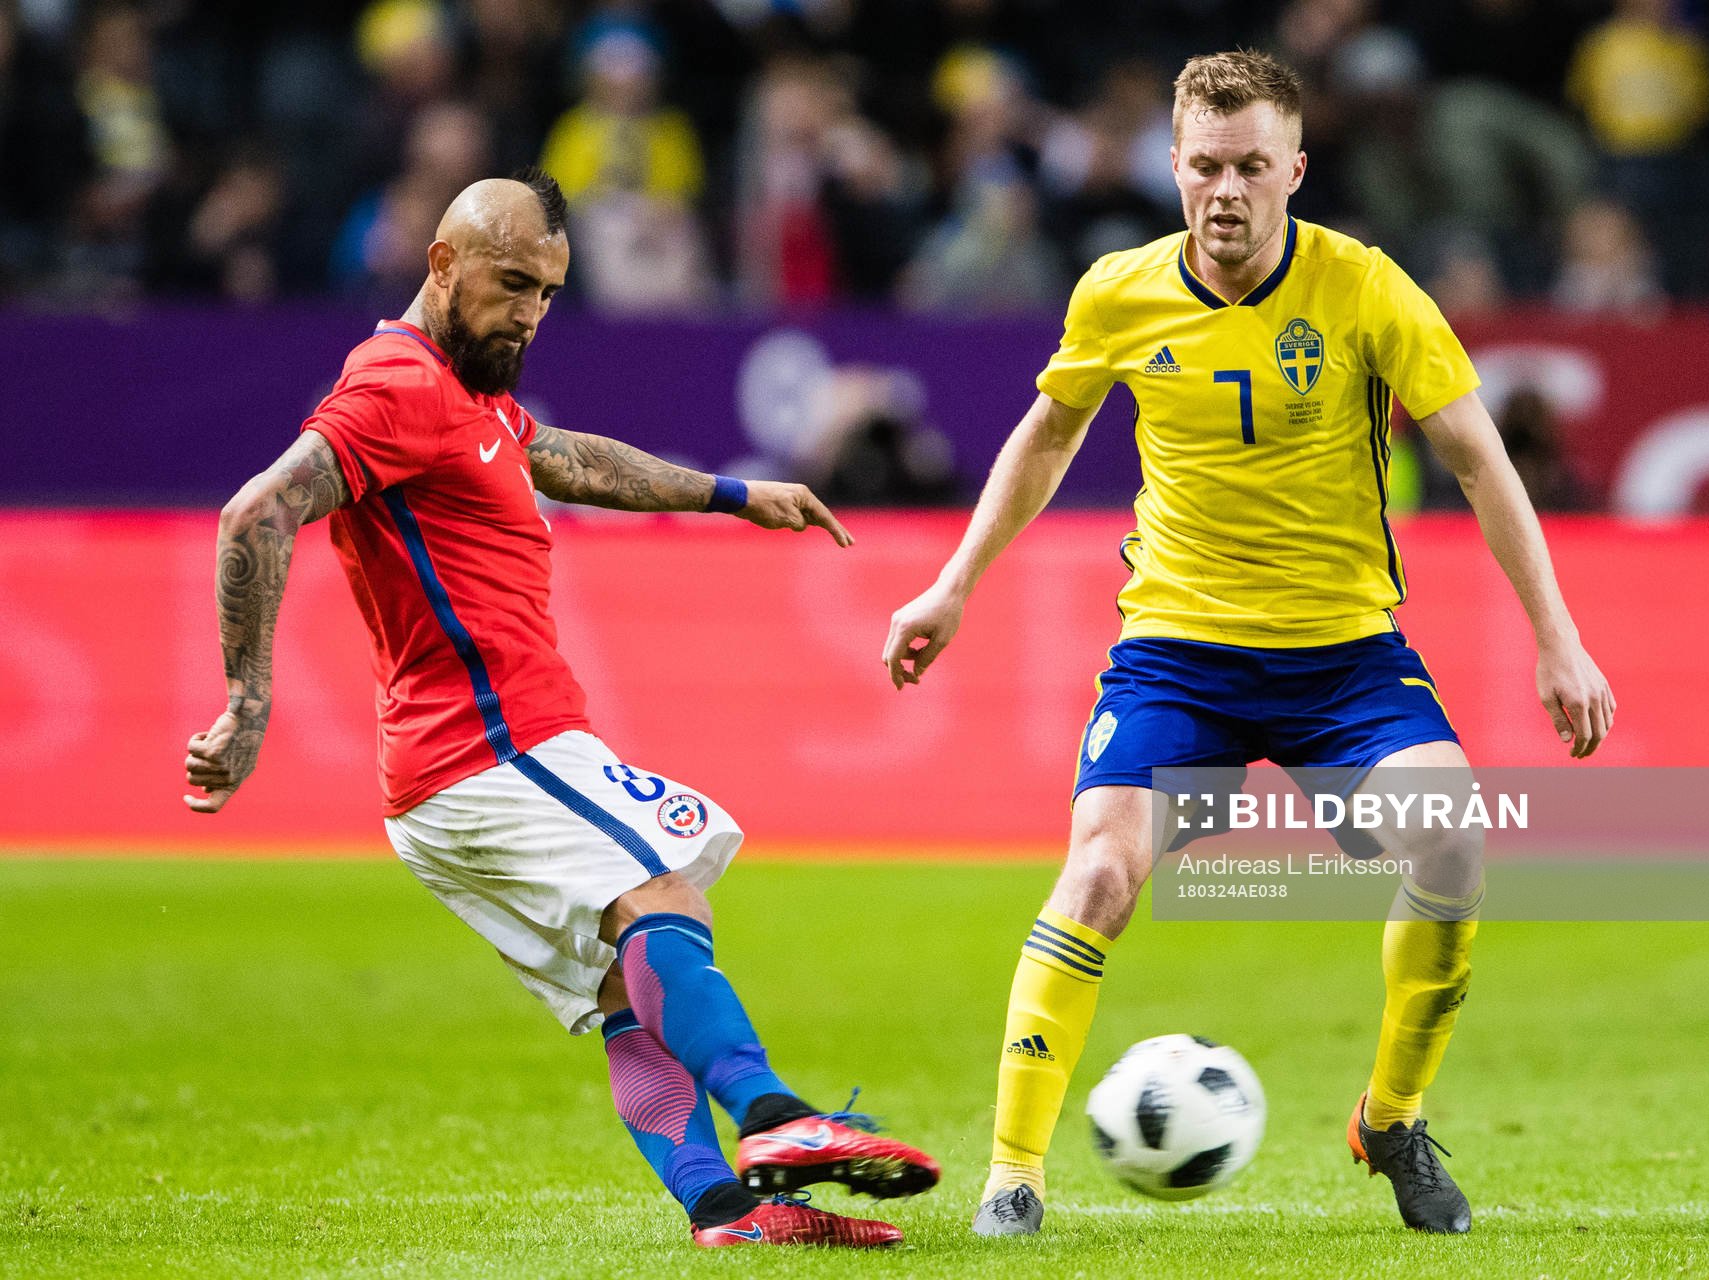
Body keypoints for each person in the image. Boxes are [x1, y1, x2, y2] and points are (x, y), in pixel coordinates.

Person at [883, 51, 1613, 1239]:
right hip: (1180, 654)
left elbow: (1480, 457)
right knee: (1100, 872)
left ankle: (1393, 1117)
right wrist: (951, 583)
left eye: (1253, 168)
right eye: (1207, 167)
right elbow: (1045, 436)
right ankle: (1012, 1172)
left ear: (1296, 171)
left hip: (1345, 659)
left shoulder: (1367, 288)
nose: (1228, 192)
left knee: (1455, 847)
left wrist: (1559, 639)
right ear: (1173, 165)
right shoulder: (1117, 291)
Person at [183, 169, 937, 1249]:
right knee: (662, 888)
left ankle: (727, 1209)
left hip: (465, 772)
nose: (531, 312)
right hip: (486, 746)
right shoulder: (396, 384)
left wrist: (731, 495)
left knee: (630, 987)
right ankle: (776, 1114)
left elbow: (565, 458)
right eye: (512, 283)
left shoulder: (467, 389)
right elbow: (258, 507)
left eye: (547, 292)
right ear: (442, 263)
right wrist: (248, 700)